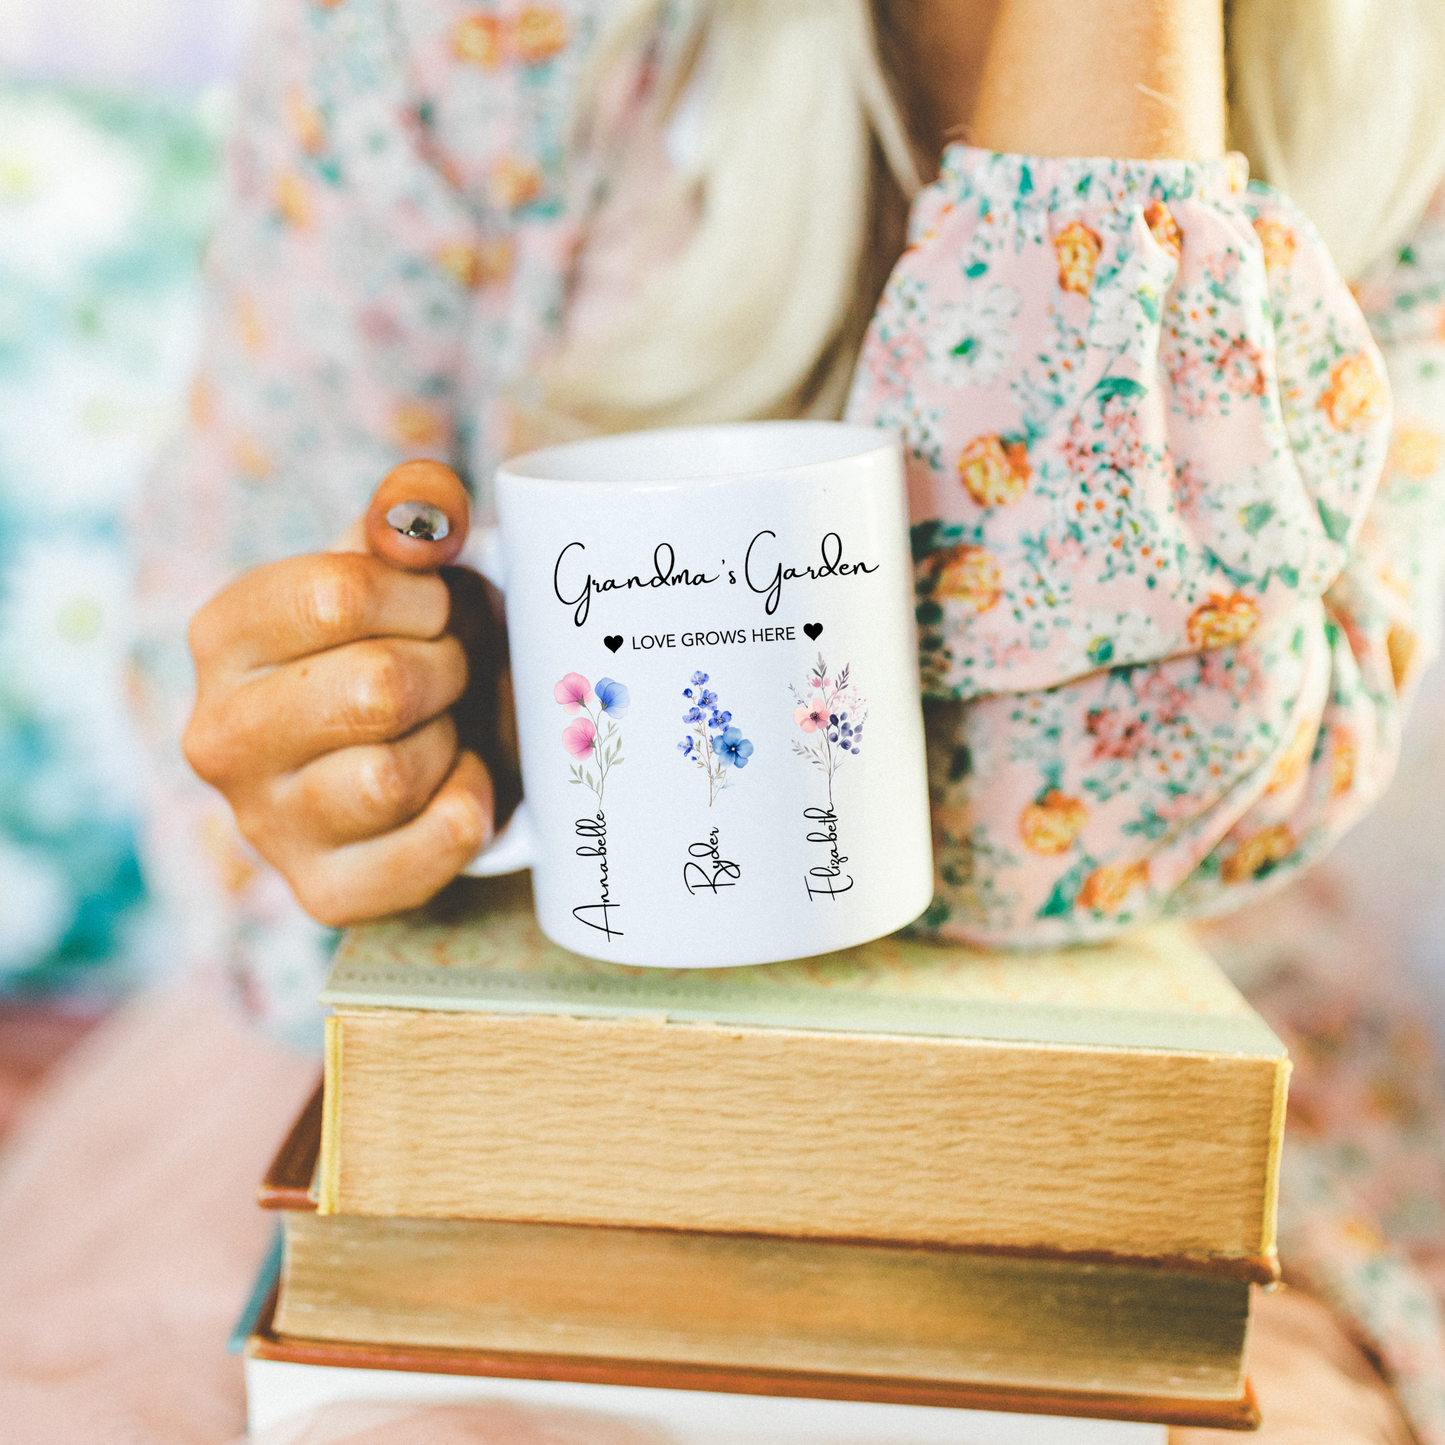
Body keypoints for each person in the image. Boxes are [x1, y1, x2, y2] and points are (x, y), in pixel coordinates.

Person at [14, 0, 1445, 1440]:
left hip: (1151, 1043)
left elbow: (1052, 833)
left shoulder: (1404, 102)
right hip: (475, 1038)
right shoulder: (454, 35)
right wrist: (357, 747)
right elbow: (241, 666)